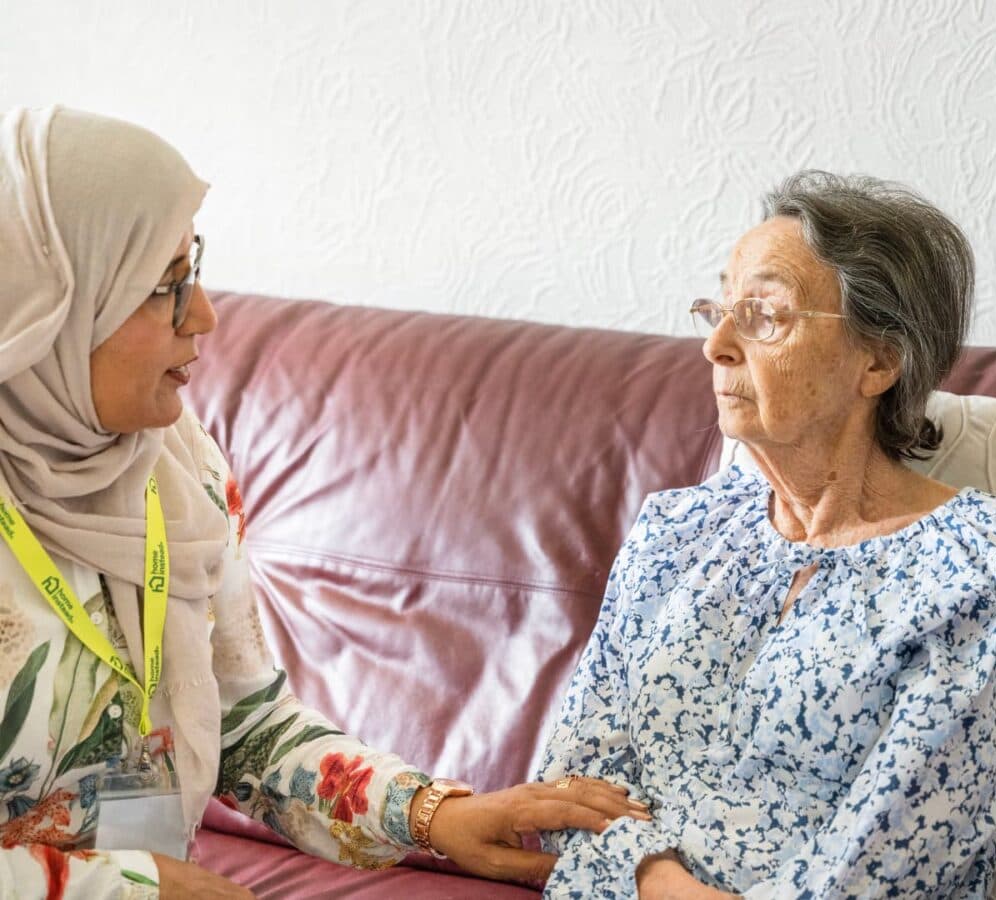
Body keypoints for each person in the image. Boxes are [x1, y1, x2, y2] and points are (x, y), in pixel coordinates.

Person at [0, 105, 650, 899]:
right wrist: (135, 887)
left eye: (193, 269)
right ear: (45, 310)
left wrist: (434, 817)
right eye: (165, 288)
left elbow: (248, 731)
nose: (204, 316)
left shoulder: (179, 466)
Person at [538, 171, 996, 898]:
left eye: (764, 316)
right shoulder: (675, 531)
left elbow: (891, 863)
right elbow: (565, 786)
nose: (716, 346)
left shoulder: (974, 577)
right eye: (719, 310)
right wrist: (659, 879)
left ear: (878, 361)